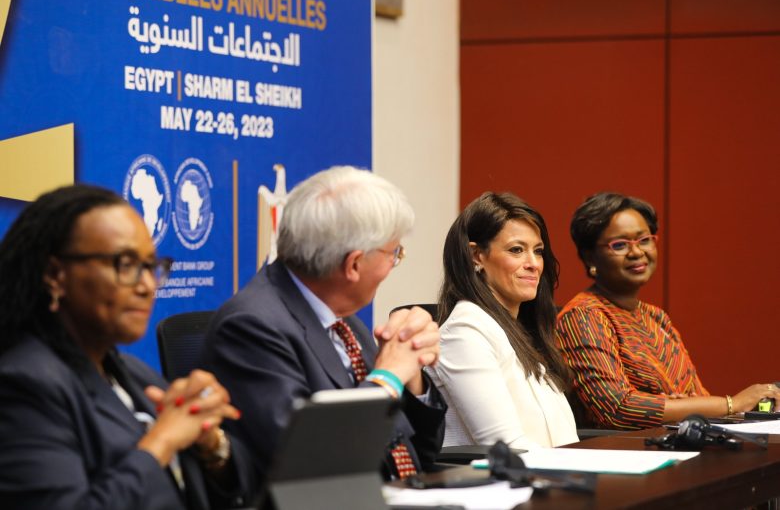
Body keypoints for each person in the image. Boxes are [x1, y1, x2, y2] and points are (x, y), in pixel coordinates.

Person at [0, 185, 255, 509]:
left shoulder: (135, 374)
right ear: (55, 275)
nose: (147, 286)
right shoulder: (22, 385)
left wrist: (210, 444)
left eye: (150, 266)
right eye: (125, 264)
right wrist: (162, 441)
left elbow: (228, 493)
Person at [200, 166, 446, 484]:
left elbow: (421, 452)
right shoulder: (250, 327)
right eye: (394, 253)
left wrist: (411, 374)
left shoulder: (343, 318)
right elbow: (308, 462)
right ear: (354, 264)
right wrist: (388, 377)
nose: (393, 265)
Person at [556, 192, 780, 429]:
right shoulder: (584, 316)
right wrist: (732, 404)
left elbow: (698, 397)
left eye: (644, 240)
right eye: (619, 245)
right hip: (624, 448)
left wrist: (688, 406)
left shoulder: (656, 317)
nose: (637, 252)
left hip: (678, 442)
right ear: (590, 256)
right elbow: (617, 408)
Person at [430, 192, 578, 450]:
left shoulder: (522, 330)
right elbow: (506, 446)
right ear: (476, 255)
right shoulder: (465, 332)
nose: (533, 264)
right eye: (516, 250)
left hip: (557, 469)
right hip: (514, 474)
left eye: (538, 251)